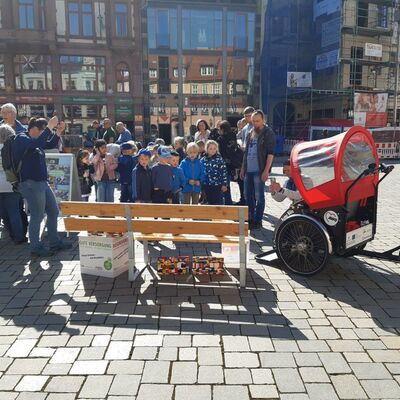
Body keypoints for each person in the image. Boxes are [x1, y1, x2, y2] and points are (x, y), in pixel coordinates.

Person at [13, 116, 72, 257]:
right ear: (33, 129)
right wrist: (50, 127)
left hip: (41, 183)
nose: (44, 134)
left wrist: (57, 133)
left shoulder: (35, 141)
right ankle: (35, 247)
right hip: (30, 184)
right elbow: (36, 143)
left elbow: (48, 144)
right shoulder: (21, 138)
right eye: (42, 130)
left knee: (53, 211)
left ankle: (54, 242)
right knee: (37, 215)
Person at [240, 110, 276, 230]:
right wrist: (242, 168)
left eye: (257, 121)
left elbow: (271, 153)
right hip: (248, 170)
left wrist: (266, 171)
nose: (255, 123)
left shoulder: (268, 132)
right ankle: (250, 218)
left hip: (259, 169)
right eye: (253, 121)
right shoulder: (250, 132)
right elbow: (246, 152)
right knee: (247, 195)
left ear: (263, 120)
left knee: (259, 196)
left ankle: (258, 220)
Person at [0, 124, 27, 244]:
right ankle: (19, 237)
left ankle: (11, 233)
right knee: (15, 211)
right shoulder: (12, 148)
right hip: (11, 183)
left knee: (4, 213)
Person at [200, 140, 228, 205]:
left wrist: (224, 184)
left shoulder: (219, 159)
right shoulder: (203, 160)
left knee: (218, 202)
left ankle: (218, 214)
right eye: (210, 148)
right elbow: (200, 172)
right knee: (208, 202)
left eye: (214, 148)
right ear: (206, 149)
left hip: (217, 185)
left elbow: (223, 172)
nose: (212, 150)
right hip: (206, 185)